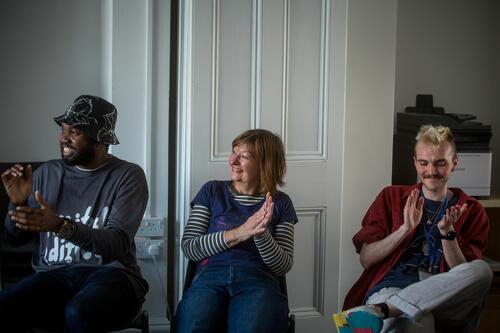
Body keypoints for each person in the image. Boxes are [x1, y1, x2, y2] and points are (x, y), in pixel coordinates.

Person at [0, 95, 149, 333]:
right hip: (53, 274)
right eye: (63, 129)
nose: (63, 138)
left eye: (75, 131)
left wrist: (60, 226)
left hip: (112, 275)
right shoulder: (45, 173)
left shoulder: (128, 175)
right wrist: (16, 204)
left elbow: (118, 244)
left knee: (79, 312)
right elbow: (15, 239)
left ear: (100, 140)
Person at [334, 125, 492, 333]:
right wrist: (405, 228)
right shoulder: (390, 197)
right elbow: (366, 259)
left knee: (482, 270)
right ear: (415, 163)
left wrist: (447, 234)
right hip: (395, 285)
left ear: (454, 163)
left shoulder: (472, 210)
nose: (431, 171)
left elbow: (462, 275)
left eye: (440, 163)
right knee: (415, 326)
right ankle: (389, 308)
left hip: (444, 296)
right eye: (424, 163)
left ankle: (380, 310)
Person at [173, 129, 298, 333]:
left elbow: (282, 266)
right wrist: (240, 232)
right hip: (209, 278)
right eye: (234, 152)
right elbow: (190, 247)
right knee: (192, 326)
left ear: (264, 164)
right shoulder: (211, 191)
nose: (233, 160)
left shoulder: (281, 203)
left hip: (258, 281)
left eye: (244, 156)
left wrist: (260, 233)